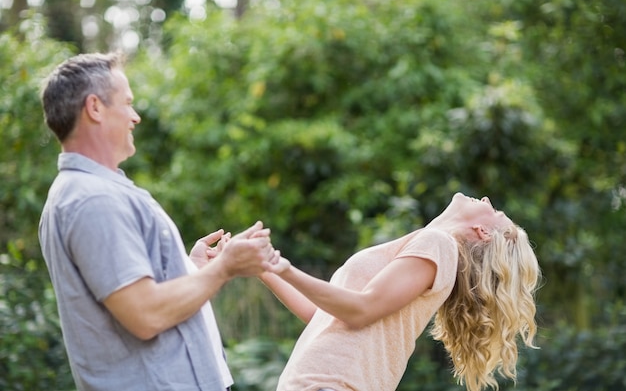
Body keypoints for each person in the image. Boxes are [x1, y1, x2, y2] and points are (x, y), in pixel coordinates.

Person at [38, 52, 274, 391]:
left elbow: (139, 295)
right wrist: (224, 269)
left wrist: (189, 269)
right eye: (128, 103)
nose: (135, 117)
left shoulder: (92, 192)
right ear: (95, 108)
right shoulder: (94, 199)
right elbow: (146, 315)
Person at [261, 192, 541, 391]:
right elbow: (321, 315)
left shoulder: (439, 244)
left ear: (483, 231)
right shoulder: (426, 246)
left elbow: (361, 311)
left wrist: (284, 268)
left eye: (494, 212)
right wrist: (263, 267)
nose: (486, 200)